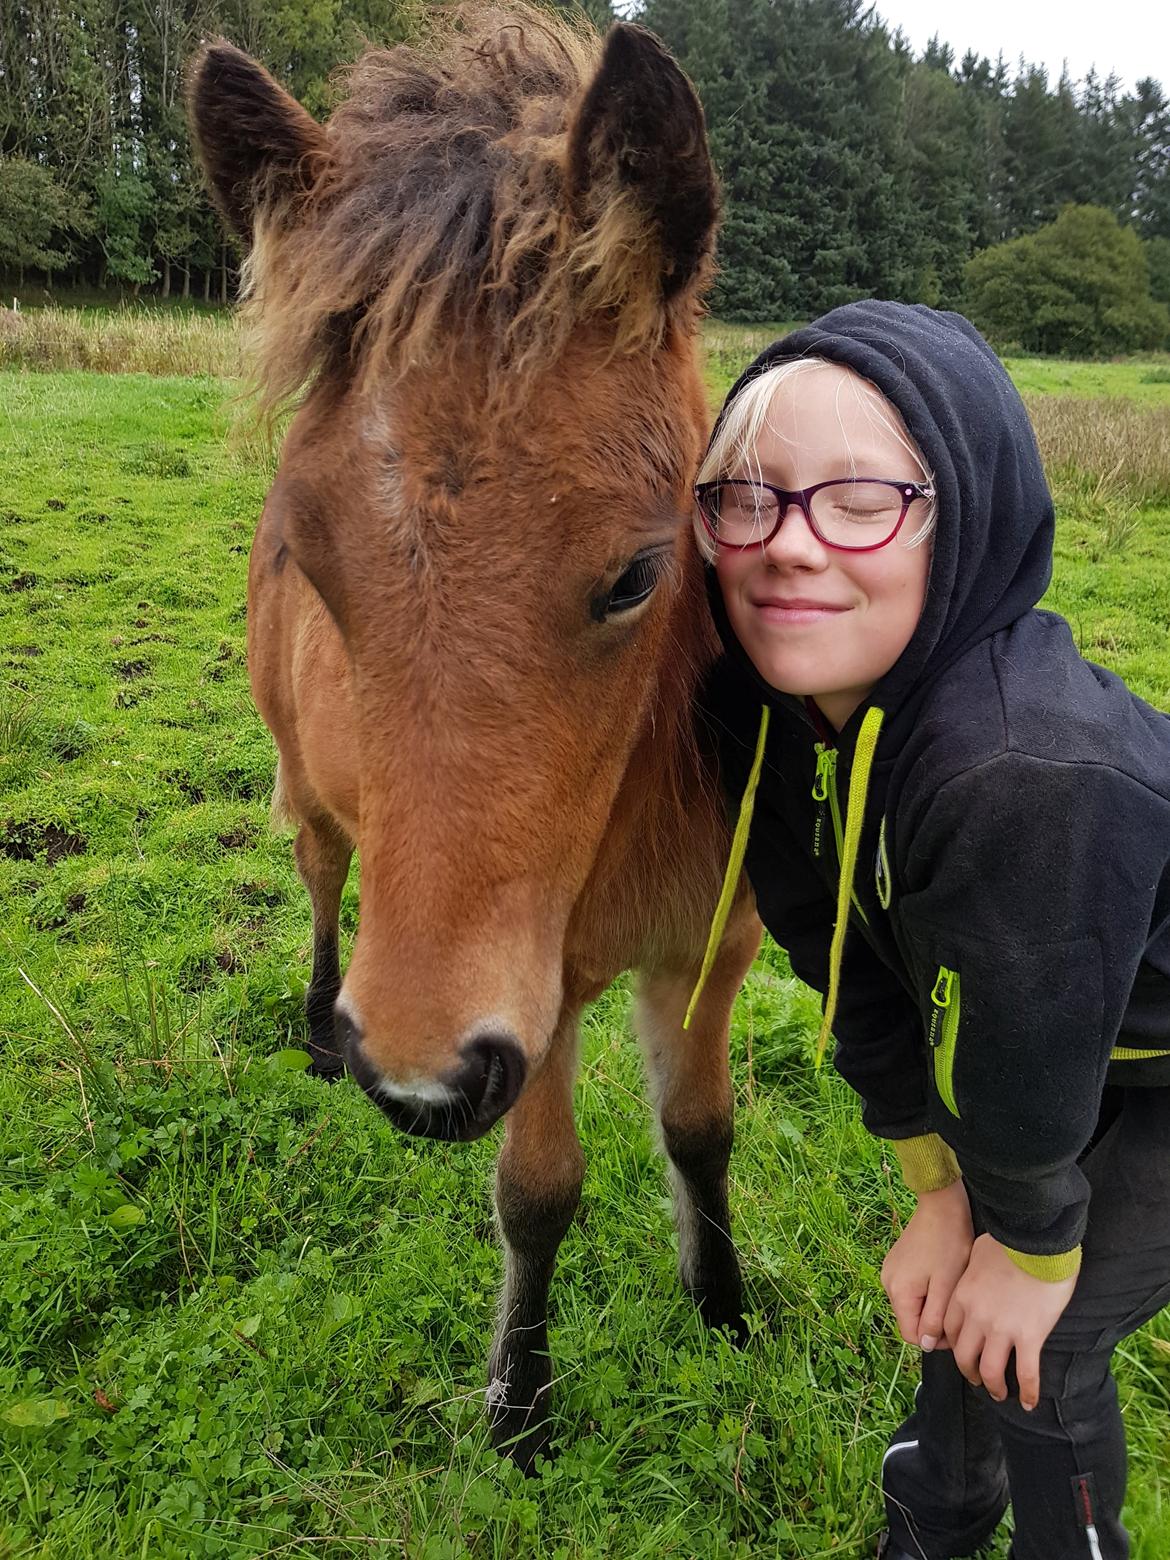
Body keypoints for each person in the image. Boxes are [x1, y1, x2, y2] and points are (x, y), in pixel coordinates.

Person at [694, 301, 1170, 1559]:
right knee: (977, 1301)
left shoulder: (1016, 772)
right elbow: (846, 960)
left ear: (962, 519)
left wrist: (1022, 1229)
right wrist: (939, 1188)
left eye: (859, 499)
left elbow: (1019, 1053)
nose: (790, 545)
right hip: (1066, 1035)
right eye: (745, 498)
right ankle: (940, 1515)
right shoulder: (769, 711)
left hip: (1139, 1053)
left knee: (1043, 1336)